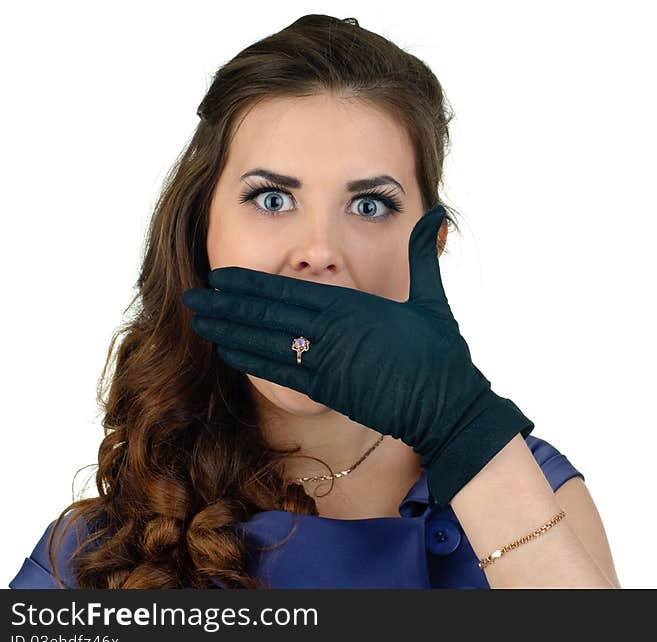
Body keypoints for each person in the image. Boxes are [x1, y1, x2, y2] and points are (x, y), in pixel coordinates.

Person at [9, 14, 620, 589]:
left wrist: (464, 427)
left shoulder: (531, 488)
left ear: (431, 247)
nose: (319, 250)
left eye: (369, 205)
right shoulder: (92, 553)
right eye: (273, 199)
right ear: (201, 233)